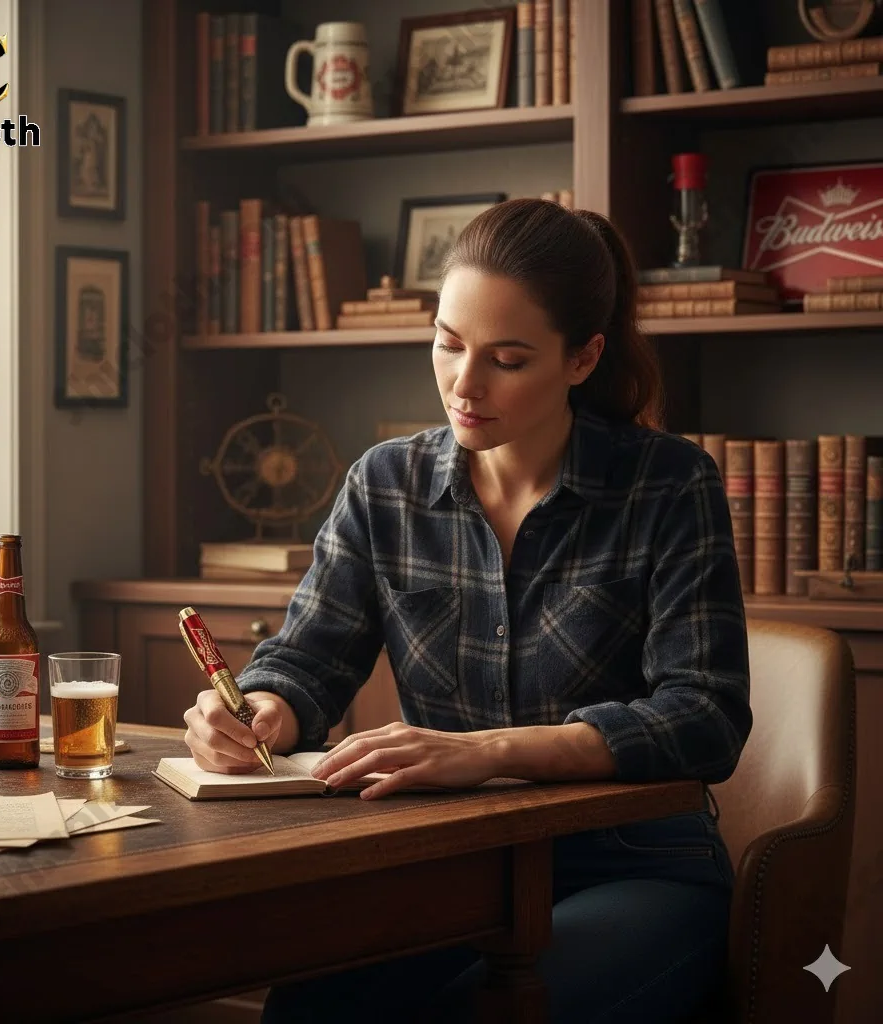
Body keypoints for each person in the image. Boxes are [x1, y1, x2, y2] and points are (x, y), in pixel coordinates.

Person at [182, 197, 753, 1024]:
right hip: (452, 871)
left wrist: (485, 751)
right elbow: (307, 661)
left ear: (583, 357)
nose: (464, 384)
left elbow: (706, 716)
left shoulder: (668, 484)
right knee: (308, 1012)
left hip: (636, 867)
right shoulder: (386, 484)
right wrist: (261, 711)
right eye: (448, 345)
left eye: (508, 359)